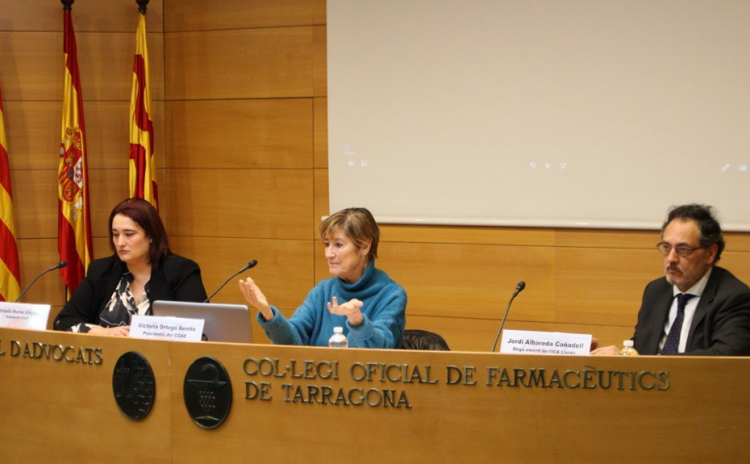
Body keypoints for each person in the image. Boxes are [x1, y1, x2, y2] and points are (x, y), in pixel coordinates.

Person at [592, 204, 750, 356]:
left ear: (710, 253)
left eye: (683, 250)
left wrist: (655, 364)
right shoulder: (656, 290)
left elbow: (724, 357)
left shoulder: (735, 298)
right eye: (666, 247)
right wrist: (616, 358)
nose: (671, 258)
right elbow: (641, 348)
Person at [239, 207, 406, 348]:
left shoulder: (391, 295)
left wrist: (357, 320)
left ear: (364, 247)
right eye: (327, 244)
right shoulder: (322, 291)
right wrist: (268, 314)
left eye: (338, 245)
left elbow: (383, 351)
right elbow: (293, 343)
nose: (328, 254)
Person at [54, 198, 208, 336]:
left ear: (151, 237)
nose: (120, 242)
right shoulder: (102, 271)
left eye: (129, 234)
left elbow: (202, 329)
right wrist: (102, 332)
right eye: (115, 234)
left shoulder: (180, 271)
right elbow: (63, 322)